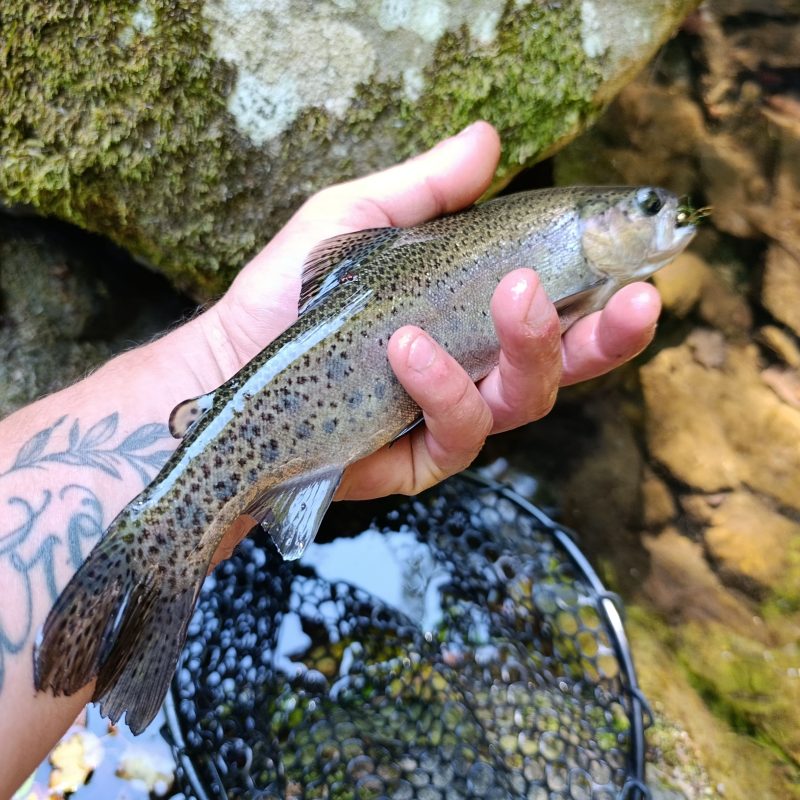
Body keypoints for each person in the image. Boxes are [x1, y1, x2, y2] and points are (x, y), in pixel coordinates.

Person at [0, 122, 660, 796]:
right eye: (648, 208)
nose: (664, 220)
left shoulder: (572, 247)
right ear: (595, 221)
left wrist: (212, 368)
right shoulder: (567, 233)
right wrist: (220, 356)